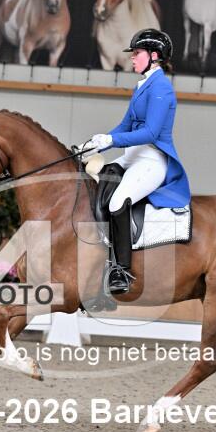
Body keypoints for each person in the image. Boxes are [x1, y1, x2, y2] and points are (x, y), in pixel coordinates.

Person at [83, 28, 191, 295]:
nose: (132, 57)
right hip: (132, 156)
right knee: (99, 184)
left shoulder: (162, 88)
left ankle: (121, 271)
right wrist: (99, 141)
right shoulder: (142, 85)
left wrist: (112, 141)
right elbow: (126, 125)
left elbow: (151, 132)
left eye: (137, 53)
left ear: (154, 56)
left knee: (118, 202)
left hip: (151, 160)